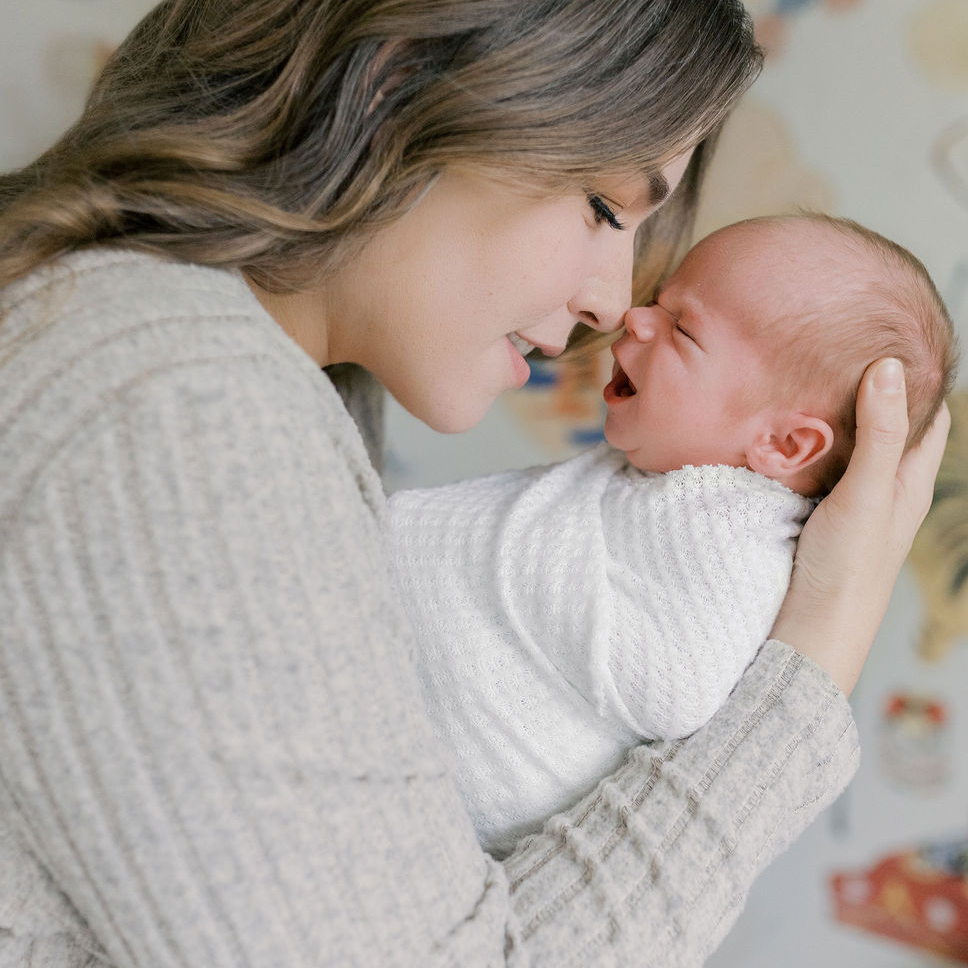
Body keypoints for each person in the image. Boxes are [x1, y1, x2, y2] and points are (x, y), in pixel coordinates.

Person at [0, 0, 949, 968]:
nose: (618, 300)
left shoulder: (224, 376)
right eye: (611, 206)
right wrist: (806, 673)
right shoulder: (164, 412)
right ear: (405, 77)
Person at [388, 213, 958, 856]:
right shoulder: (670, 472)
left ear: (785, 443)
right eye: (659, 302)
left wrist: (509, 562)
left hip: (446, 786)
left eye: (682, 329)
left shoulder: (738, 541)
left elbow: (677, 683)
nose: (635, 318)